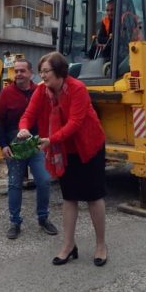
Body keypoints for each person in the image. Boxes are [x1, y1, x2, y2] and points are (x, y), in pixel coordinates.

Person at [17, 52, 108, 267]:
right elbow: (29, 114)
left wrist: (51, 139)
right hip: (65, 150)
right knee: (69, 197)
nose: (42, 76)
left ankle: (101, 245)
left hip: (89, 146)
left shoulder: (77, 88)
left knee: (94, 197)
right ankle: (68, 245)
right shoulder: (42, 91)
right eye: (41, 71)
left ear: (59, 71)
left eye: (46, 71)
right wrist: (23, 129)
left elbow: (76, 123)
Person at [0, 58, 58, 240]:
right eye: (16, 71)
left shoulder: (40, 91)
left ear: (31, 73)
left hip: (35, 145)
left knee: (44, 180)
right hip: (14, 148)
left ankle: (43, 218)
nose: (19, 74)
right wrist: (3, 145)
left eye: (23, 70)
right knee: (15, 184)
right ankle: (15, 222)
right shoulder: (6, 93)